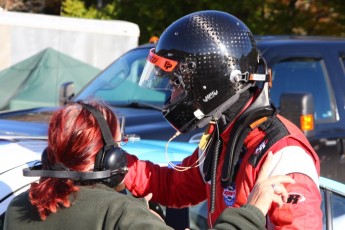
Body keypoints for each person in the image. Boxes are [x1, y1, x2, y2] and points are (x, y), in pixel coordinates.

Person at [125, 10, 322, 229]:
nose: (172, 98)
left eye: (177, 85)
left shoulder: (283, 154)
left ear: (208, 83)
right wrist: (119, 166)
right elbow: (175, 186)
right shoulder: (220, 136)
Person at [4, 100, 294, 230]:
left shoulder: (17, 209)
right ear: (110, 158)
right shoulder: (119, 213)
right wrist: (254, 209)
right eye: (119, 145)